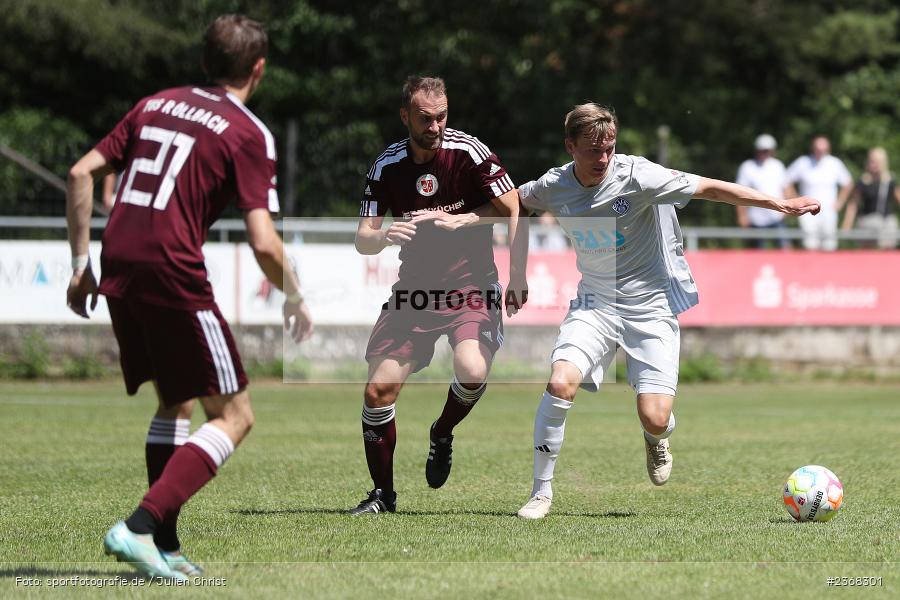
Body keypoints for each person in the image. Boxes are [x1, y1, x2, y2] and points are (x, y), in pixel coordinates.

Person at [65, 15, 312, 580]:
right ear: (259, 69)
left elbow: (80, 173)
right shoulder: (248, 131)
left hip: (118, 263)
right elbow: (262, 240)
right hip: (171, 269)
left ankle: (164, 546)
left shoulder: (154, 103)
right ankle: (140, 526)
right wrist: (295, 294)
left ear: (205, 61)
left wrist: (80, 266)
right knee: (235, 416)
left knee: (175, 402)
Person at [514, 103, 819, 519]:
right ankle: (541, 493)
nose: (603, 158)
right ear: (570, 146)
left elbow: (710, 188)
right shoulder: (554, 185)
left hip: (650, 306)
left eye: (609, 148)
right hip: (595, 304)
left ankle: (656, 438)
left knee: (655, 417)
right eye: (593, 150)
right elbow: (510, 203)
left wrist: (778, 204)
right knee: (560, 382)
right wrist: (455, 218)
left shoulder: (638, 175)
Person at [352, 76, 528, 515]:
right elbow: (363, 238)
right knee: (378, 392)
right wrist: (385, 235)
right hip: (414, 291)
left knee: (471, 370)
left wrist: (515, 273)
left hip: (471, 286)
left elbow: (514, 208)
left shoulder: (469, 152)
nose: (435, 127)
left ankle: (442, 431)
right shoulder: (387, 165)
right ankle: (382, 496)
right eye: (425, 118)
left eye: (442, 117)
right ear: (405, 116)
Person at [785, 136, 853, 251]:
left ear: (828, 149)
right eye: (818, 149)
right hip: (807, 211)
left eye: (823, 149)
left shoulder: (834, 163)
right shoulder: (803, 162)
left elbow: (848, 183)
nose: (820, 152)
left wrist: (840, 202)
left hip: (829, 211)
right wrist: (795, 201)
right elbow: (786, 181)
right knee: (810, 245)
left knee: (829, 246)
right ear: (813, 148)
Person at [735, 134, 790, 249]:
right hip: (756, 219)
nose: (765, 153)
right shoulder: (747, 167)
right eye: (763, 150)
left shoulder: (777, 166)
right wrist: (742, 216)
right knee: (757, 253)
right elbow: (739, 193)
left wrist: (787, 209)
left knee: (785, 250)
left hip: (777, 216)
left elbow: (786, 189)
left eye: (767, 150)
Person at [841, 147, 900, 249]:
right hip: (867, 221)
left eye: (875, 162)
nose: (873, 164)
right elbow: (853, 204)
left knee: (890, 231)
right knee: (868, 246)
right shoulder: (863, 181)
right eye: (871, 161)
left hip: (886, 221)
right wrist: (847, 225)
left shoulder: (890, 181)